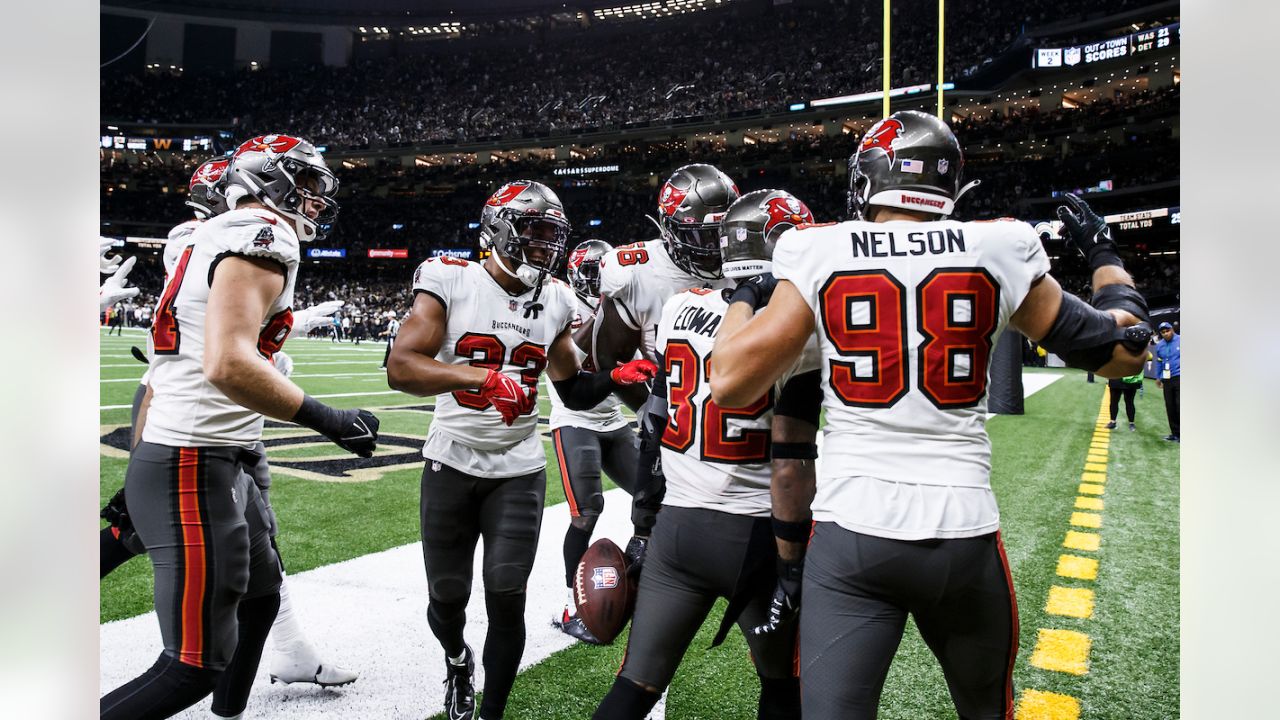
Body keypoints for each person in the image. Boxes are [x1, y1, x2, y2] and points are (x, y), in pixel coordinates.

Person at [709, 111, 1150, 720]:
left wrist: (750, 292)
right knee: (987, 711)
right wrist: (1105, 260)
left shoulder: (819, 249)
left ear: (869, 180)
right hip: (963, 534)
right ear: (951, 185)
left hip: (852, 532)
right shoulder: (999, 245)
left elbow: (729, 383)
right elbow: (1122, 355)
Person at [100, 134, 381, 720]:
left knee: (262, 596)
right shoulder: (262, 235)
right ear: (266, 180)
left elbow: (158, 377)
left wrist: (139, 462)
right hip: (193, 460)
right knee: (192, 665)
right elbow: (227, 363)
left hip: (205, 452)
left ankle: (229, 712)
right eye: (302, 184)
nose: (311, 200)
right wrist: (332, 421)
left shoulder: (211, 235)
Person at [386, 180, 656, 720]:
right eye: (534, 232)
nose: (545, 246)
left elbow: (573, 388)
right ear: (499, 229)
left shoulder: (555, 298)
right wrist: (483, 379)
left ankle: (492, 714)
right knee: (446, 597)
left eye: (552, 236)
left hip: (518, 468)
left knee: (506, 596)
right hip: (453, 457)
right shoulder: (450, 279)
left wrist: (614, 375)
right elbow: (402, 366)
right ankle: (458, 660)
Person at [593, 189, 821, 720]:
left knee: (635, 686)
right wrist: (793, 564)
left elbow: (651, 426)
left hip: (678, 529)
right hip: (757, 535)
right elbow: (790, 464)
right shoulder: (800, 332)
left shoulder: (679, 307)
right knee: (784, 686)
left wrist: (644, 524)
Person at [586, 163, 739, 574]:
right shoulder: (635, 271)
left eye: (721, 234)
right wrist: (647, 409)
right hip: (669, 407)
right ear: (670, 230)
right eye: (700, 236)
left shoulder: (747, 259)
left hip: (737, 411)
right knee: (655, 535)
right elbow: (610, 360)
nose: (713, 248)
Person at [547, 239, 640, 644]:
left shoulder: (620, 307)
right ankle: (576, 601)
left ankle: (629, 579)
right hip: (574, 419)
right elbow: (575, 356)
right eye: (593, 275)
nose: (598, 283)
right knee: (587, 511)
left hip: (613, 420)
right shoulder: (563, 305)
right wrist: (606, 310)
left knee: (654, 494)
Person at [1153, 321, 1180, 442]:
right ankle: (1175, 434)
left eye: (1167, 330)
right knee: (1170, 406)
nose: (1165, 333)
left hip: (1180, 377)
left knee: (1180, 406)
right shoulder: (1159, 346)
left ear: (1172, 330)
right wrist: (1158, 377)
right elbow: (1159, 362)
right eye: (1163, 332)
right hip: (1167, 379)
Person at [1107, 362, 1146, 431]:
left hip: (1130, 377)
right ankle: (1113, 422)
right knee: (1113, 401)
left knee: (1129, 402)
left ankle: (1131, 423)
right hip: (1116, 376)